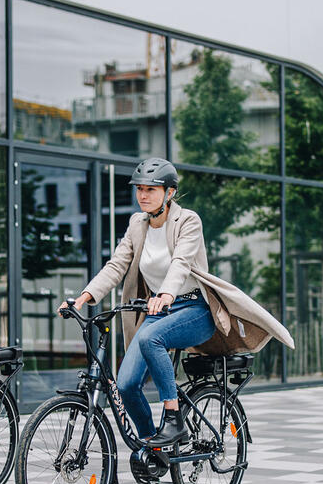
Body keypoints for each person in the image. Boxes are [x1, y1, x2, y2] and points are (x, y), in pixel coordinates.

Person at [63, 157, 217, 448]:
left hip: (193, 309)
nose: (143, 195)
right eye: (140, 189)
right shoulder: (138, 224)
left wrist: (166, 294)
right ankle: (153, 446)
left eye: (151, 189)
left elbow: (181, 263)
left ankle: (173, 420)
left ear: (169, 192)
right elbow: (117, 265)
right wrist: (84, 297)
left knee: (150, 337)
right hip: (159, 312)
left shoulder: (188, 221)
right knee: (126, 386)